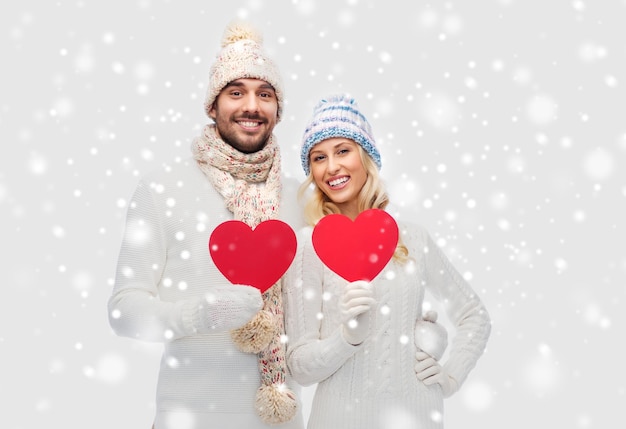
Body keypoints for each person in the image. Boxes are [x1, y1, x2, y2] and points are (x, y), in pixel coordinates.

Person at [108, 21, 305, 429]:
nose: (251, 106)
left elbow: (325, 311)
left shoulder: (301, 200)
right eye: (236, 92)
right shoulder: (162, 190)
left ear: (278, 111)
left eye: (264, 95)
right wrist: (199, 315)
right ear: (212, 106)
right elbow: (123, 311)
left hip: (281, 421)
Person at [283, 94, 491, 429]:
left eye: (343, 151)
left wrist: (451, 374)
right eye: (318, 157)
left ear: (366, 157)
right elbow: (300, 366)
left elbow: (474, 316)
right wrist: (347, 338)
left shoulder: (413, 238)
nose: (332, 167)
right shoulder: (309, 246)